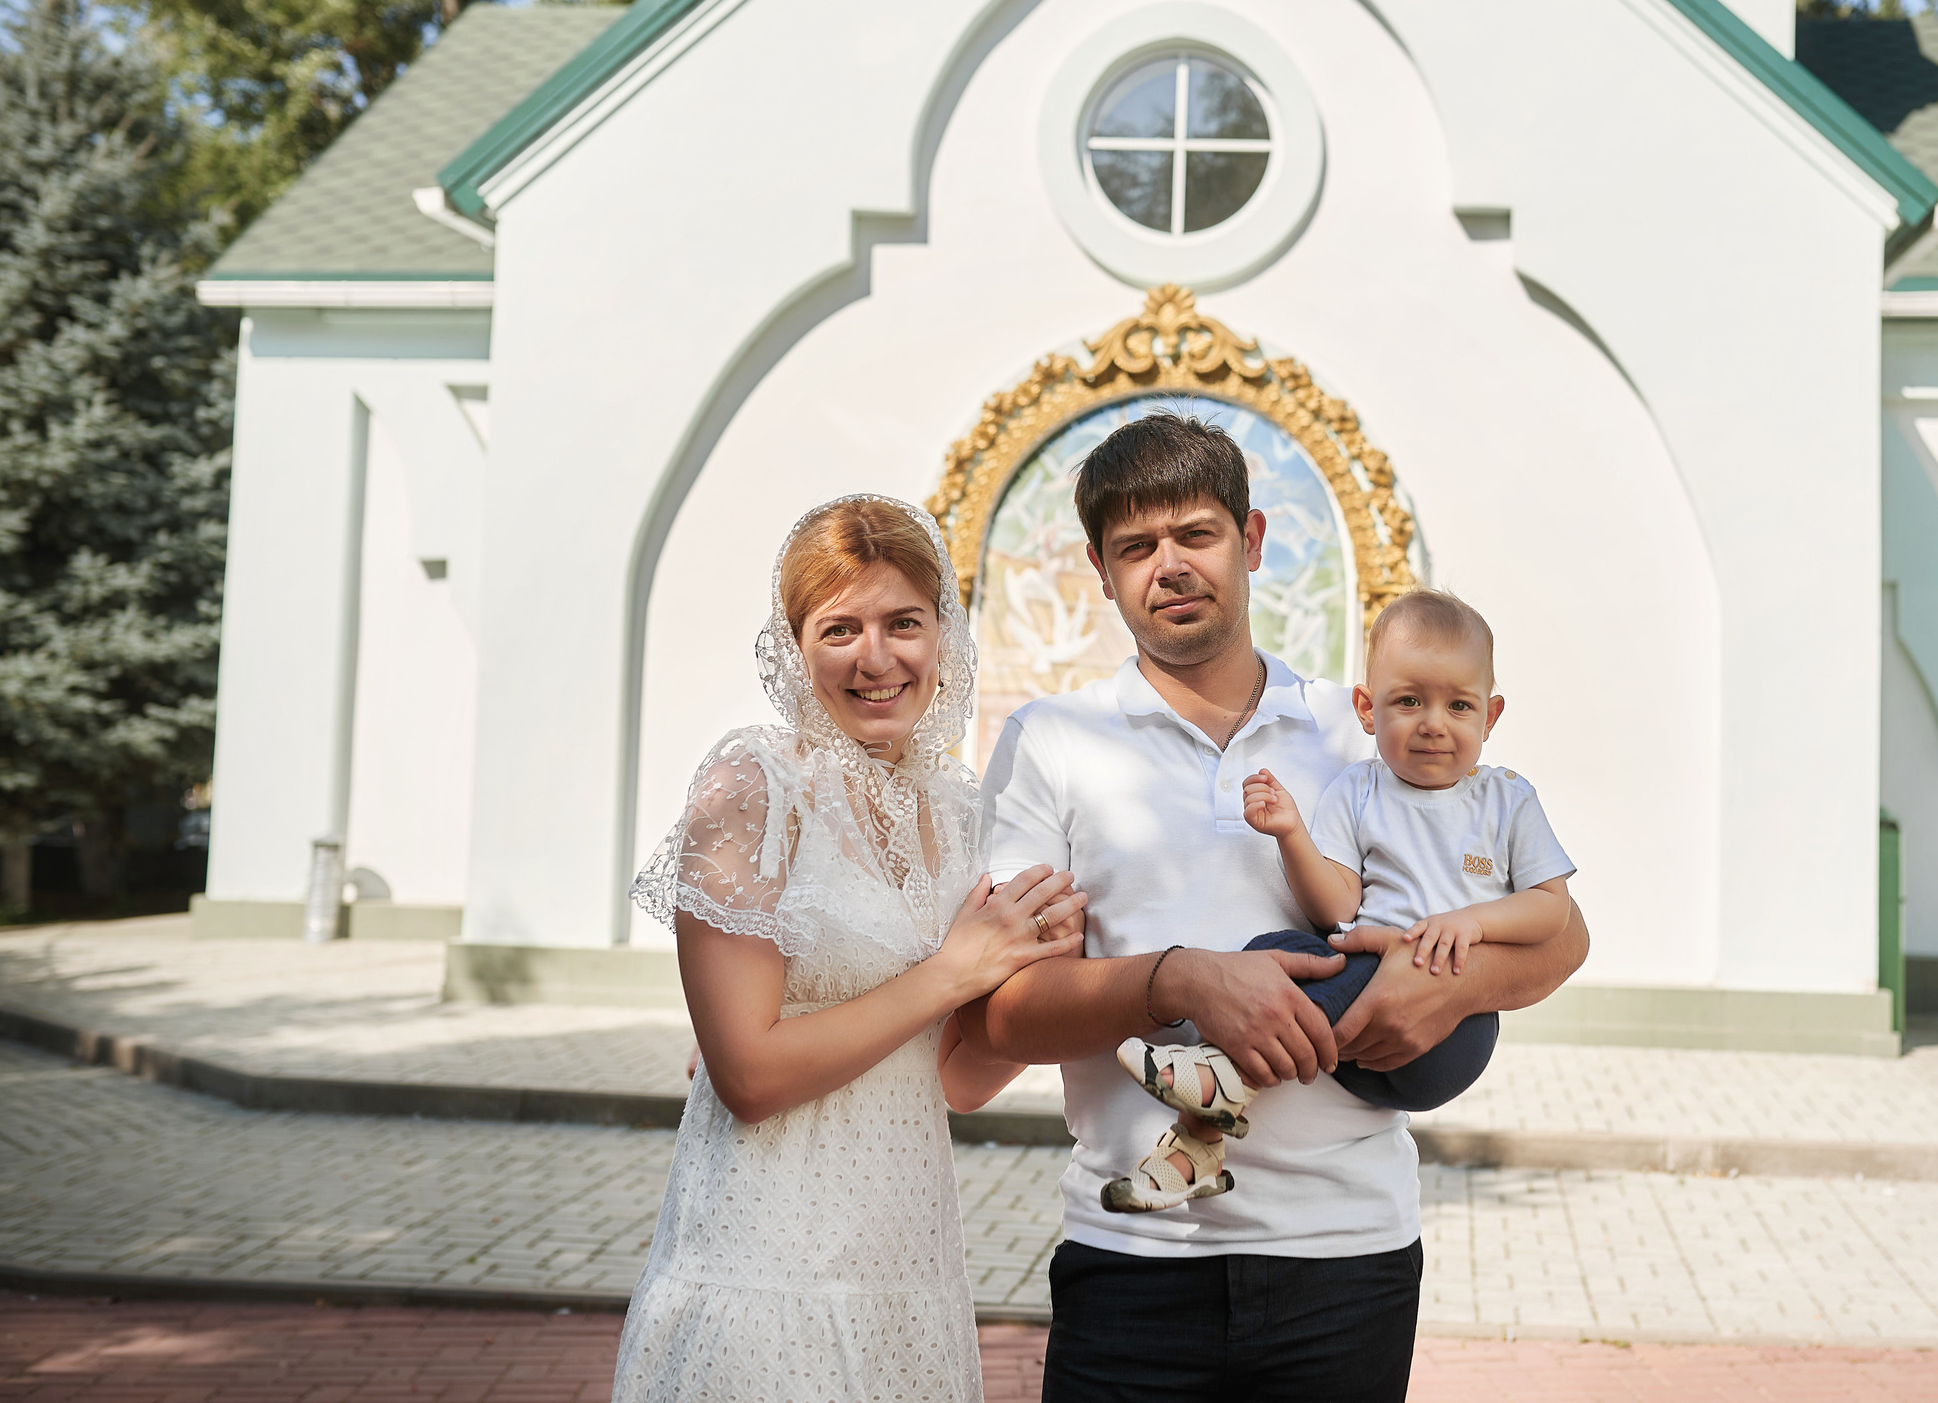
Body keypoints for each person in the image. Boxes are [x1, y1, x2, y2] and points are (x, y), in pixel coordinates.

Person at [959, 415, 1590, 1403]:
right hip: (1132, 1252)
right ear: (1099, 567)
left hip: (1349, 1255)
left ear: (1252, 542)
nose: (1168, 564)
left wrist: (1444, 988)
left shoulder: (1369, 725)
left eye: (1196, 534)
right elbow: (993, 1014)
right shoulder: (1050, 741)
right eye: (1135, 546)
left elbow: (1562, 934)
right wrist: (1176, 978)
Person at [613, 495, 1086, 1403]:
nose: (876, 658)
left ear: (943, 636)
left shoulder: (953, 811)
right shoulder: (755, 783)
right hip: (767, 1262)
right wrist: (952, 970)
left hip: (904, 1262)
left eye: (903, 622)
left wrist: (1039, 967)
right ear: (794, 647)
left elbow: (952, 1078)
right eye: (840, 628)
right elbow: (747, 1074)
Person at [1104, 588, 1575, 1209]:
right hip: (1350, 1020)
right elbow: (1336, 909)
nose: (1433, 722)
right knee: (1271, 952)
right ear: (1367, 708)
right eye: (1409, 701)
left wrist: (1470, 924)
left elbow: (1551, 909)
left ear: (1490, 717)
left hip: (1448, 1033)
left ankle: (1219, 1079)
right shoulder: (1359, 789)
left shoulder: (1507, 800)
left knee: (1334, 970)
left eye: (1458, 706)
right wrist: (1293, 834)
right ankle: (1196, 1151)